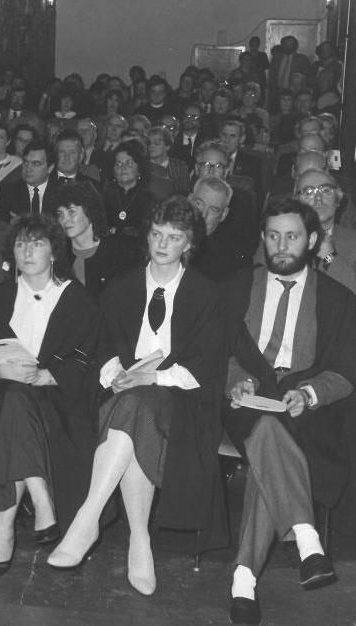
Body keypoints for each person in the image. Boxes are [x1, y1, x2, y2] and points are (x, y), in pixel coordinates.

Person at [49, 197, 227, 597]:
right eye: (157, 234)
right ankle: (139, 541)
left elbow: (207, 366)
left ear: (189, 244)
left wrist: (153, 378)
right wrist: (116, 375)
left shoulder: (205, 294)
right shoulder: (122, 286)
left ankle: (88, 517)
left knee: (138, 405)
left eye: (174, 237)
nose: (163, 244)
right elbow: (105, 344)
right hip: (122, 395)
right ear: (147, 236)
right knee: (132, 408)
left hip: (183, 399)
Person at [222, 198, 354, 625]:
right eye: (273, 235)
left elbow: (346, 370)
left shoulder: (337, 300)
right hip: (247, 402)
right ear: (262, 239)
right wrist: (235, 380)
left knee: (268, 448)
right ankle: (307, 539)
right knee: (263, 423)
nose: (281, 244)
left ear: (312, 240)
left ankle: (243, 578)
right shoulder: (238, 287)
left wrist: (311, 392)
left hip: (307, 413)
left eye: (292, 235)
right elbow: (216, 351)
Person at [0, 214, 99, 576]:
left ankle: (3, 523)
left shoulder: (77, 299)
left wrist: (49, 375)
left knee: (18, 403)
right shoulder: (1, 295)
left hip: (57, 400)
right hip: (0, 392)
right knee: (13, 398)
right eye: (21, 243)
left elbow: (88, 359)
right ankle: (41, 496)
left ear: (54, 251)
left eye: (37, 243)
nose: (27, 251)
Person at [53, 182, 139, 298]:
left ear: (90, 211)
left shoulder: (119, 253)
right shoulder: (58, 258)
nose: (65, 220)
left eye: (71, 212)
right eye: (60, 214)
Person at [189, 176, 249, 282]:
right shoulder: (166, 234)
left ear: (223, 215)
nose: (203, 215)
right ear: (189, 200)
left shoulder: (227, 261)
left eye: (213, 209)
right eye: (199, 204)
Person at [103, 140, 160, 238]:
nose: (123, 168)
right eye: (118, 164)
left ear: (139, 169)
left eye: (129, 163)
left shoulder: (150, 199)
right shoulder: (103, 196)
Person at [0, 140, 56, 221]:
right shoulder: (7, 191)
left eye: (36, 164)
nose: (28, 168)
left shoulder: (61, 194)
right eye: (26, 162)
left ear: (50, 168)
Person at [146, 126, 190, 196]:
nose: (152, 146)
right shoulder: (143, 166)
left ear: (167, 146)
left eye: (157, 142)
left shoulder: (179, 166)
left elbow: (184, 192)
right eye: (149, 143)